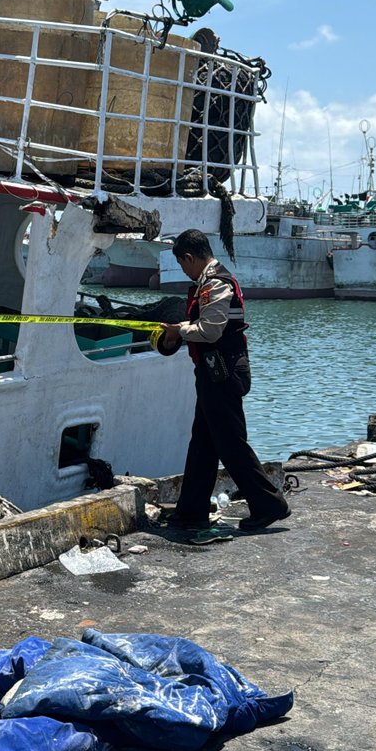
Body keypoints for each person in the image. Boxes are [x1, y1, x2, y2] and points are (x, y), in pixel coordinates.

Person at [157, 230, 291, 537]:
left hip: (222, 374)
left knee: (231, 444)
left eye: (182, 264)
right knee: (203, 444)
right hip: (213, 372)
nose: (183, 271)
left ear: (189, 258)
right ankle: (191, 511)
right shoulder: (210, 282)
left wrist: (178, 329)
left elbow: (210, 330)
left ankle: (269, 504)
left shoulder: (216, 283)